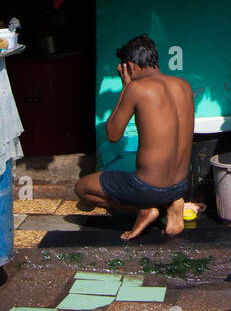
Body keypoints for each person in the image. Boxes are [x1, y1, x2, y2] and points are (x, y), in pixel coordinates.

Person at [75, 35, 196, 240]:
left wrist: (125, 88)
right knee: (150, 182)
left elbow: (113, 135)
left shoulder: (136, 88)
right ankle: (173, 202)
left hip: (147, 189)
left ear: (130, 66)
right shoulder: (183, 85)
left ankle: (146, 209)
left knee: (82, 188)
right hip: (181, 185)